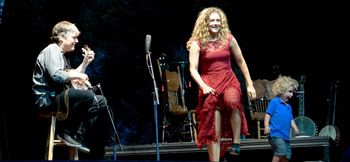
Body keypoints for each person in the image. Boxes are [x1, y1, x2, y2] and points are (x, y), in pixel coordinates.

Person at [32, 20, 114, 159]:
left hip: (59, 96)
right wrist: (79, 75)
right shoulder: (52, 50)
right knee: (87, 96)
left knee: (101, 101)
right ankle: (67, 132)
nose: (76, 41)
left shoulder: (62, 56)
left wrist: (85, 63)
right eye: (74, 37)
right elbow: (58, 76)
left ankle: (76, 135)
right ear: (62, 37)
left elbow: (71, 81)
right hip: (47, 100)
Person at [186, 7, 257, 161]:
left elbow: (241, 61)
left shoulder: (228, 39)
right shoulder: (197, 43)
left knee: (232, 100)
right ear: (205, 22)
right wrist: (203, 85)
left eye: (218, 20)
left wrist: (250, 84)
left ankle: (236, 143)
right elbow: (193, 69)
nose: (215, 23)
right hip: (209, 85)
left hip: (228, 80)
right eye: (212, 20)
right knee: (213, 130)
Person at [264, 75, 299, 162]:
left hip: (285, 137)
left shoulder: (289, 107)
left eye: (293, 92)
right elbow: (267, 115)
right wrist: (266, 126)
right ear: (282, 90)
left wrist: (295, 127)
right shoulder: (275, 102)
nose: (292, 95)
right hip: (275, 134)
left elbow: (291, 119)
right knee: (281, 150)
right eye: (290, 91)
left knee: (287, 155)